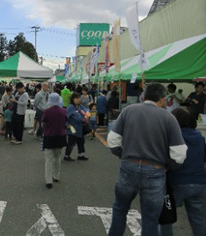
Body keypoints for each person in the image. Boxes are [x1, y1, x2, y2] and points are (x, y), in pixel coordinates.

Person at [107, 82, 187, 236]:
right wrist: (166, 165)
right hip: (155, 171)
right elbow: (180, 154)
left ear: (144, 96)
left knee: (119, 210)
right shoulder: (169, 118)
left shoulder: (128, 111)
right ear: (162, 99)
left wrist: (122, 155)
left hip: (128, 167)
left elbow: (113, 140)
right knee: (150, 219)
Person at [159, 107, 206, 236]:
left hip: (176, 183)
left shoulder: (173, 137)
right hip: (200, 183)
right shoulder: (200, 138)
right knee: (198, 221)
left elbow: (165, 160)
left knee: (165, 217)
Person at [41, 93, 67, 189]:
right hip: (60, 136)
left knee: (48, 159)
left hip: (49, 136)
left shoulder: (47, 112)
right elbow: (65, 122)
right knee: (57, 158)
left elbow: (43, 123)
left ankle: (48, 181)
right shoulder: (63, 111)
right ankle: (56, 175)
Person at [64, 93, 89, 161]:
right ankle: (67, 155)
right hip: (72, 128)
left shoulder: (80, 106)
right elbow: (65, 117)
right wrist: (67, 124)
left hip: (80, 127)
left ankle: (81, 155)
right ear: (73, 99)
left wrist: (86, 117)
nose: (78, 99)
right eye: (76, 98)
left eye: (79, 98)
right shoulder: (70, 107)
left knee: (81, 141)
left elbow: (85, 113)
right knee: (71, 142)